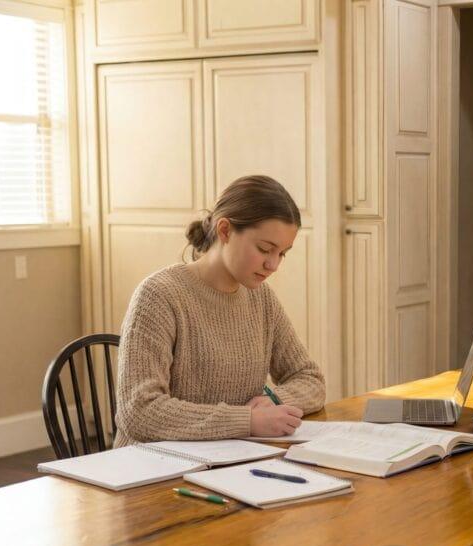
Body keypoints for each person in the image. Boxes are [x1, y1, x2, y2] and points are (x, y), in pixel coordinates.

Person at [113, 175, 325, 446]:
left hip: (229, 460)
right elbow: (139, 412)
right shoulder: (159, 296)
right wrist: (247, 421)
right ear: (224, 231)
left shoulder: (261, 298)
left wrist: (274, 400)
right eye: (264, 249)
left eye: (282, 253)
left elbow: (310, 379)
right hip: (150, 470)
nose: (273, 265)